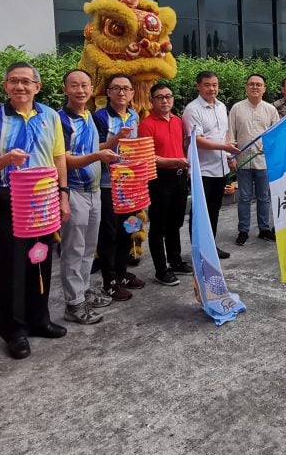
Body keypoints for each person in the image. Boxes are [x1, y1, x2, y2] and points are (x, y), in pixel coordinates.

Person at [0, 62, 71, 360]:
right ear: (5, 86)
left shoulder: (50, 116)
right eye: (14, 81)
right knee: (10, 269)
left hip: (43, 201)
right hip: (7, 201)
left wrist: (63, 195)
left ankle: (39, 319)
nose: (20, 87)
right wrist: (6, 160)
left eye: (26, 82)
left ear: (37, 87)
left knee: (40, 261)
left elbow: (59, 158)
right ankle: (13, 331)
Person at [58, 70, 119, 325]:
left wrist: (116, 140)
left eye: (85, 85)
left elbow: (95, 149)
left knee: (88, 248)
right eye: (74, 85)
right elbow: (63, 160)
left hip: (94, 191)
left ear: (92, 89)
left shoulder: (89, 116)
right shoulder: (61, 120)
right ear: (65, 89)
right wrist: (97, 157)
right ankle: (73, 304)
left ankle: (82, 293)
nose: (80, 90)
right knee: (73, 248)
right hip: (74, 190)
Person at [92, 74, 147, 299]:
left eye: (126, 89)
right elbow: (95, 148)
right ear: (108, 92)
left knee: (129, 228)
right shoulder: (99, 117)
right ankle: (110, 280)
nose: (122, 93)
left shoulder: (134, 115)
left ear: (133, 93)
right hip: (108, 184)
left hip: (131, 184)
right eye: (116, 88)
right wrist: (116, 140)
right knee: (109, 233)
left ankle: (123, 272)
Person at [139, 83, 194, 286]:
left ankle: (176, 261)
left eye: (168, 96)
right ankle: (161, 269)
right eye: (160, 97)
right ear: (151, 100)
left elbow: (183, 146)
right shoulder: (147, 124)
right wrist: (173, 162)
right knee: (158, 226)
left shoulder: (178, 121)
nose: (165, 100)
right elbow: (147, 156)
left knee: (175, 223)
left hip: (180, 177)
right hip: (159, 179)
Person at [184, 70, 240, 260]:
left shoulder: (221, 106)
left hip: (220, 167)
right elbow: (197, 140)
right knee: (200, 212)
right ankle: (198, 250)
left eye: (214, 84)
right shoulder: (193, 109)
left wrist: (228, 154)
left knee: (214, 209)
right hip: (202, 170)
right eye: (207, 85)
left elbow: (223, 133)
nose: (212, 88)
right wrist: (224, 147)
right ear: (198, 86)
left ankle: (211, 246)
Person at [228, 74, 280, 246]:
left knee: (264, 197)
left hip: (263, 161)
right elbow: (230, 134)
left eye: (259, 85)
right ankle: (243, 230)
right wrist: (231, 157)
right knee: (243, 197)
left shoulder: (271, 110)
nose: (255, 87)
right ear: (246, 87)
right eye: (252, 84)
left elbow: (276, 136)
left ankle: (264, 229)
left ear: (264, 88)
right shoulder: (236, 108)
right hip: (242, 160)